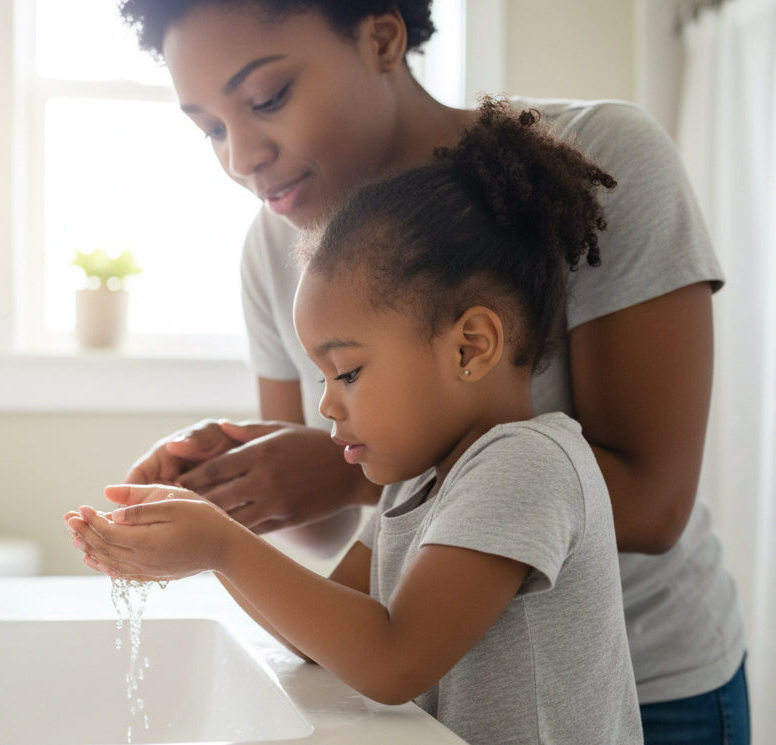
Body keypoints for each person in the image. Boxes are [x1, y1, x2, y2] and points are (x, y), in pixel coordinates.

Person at [108, 2, 749, 742]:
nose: (240, 156)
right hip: (443, 706)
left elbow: (653, 502)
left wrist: (314, 485)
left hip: (647, 685)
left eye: (267, 99)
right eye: (210, 128)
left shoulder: (596, 160)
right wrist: (236, 483)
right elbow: (332, 572)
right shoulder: (273, 248)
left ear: (381, 36)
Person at [67, 99, 642, 744]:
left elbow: (392, 661)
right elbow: (323, 639)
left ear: (471, 346)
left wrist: (221, 546)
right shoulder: (421, 478)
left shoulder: (526, 465)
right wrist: (211, 546)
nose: (326, 405)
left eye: (347, 372)